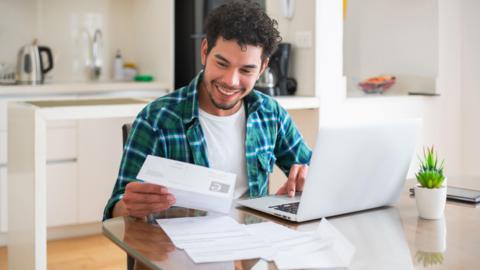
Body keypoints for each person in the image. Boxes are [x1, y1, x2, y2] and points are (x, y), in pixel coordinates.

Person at [103, 0, 312, 220]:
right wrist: (129, 206)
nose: (231, 81)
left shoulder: (270, 114)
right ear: (205, 52)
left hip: (252, 247)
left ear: (262, 68)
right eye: (222, 64)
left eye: (246, 70)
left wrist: (306, 180)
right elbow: (115, 210)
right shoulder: (156, 119)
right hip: (178, 250)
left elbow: (314, 172)